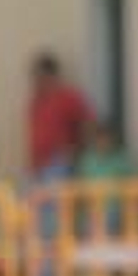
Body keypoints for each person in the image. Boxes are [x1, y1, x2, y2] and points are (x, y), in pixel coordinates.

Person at [26, 51, 94, 184]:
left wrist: (77, 153)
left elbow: (88, 124)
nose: (36, 81)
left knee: (53, 203)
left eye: (39, 76)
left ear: (51, 75)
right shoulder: (36, 101)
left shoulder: (68, 97)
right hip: (37, 165)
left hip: (59, 162)